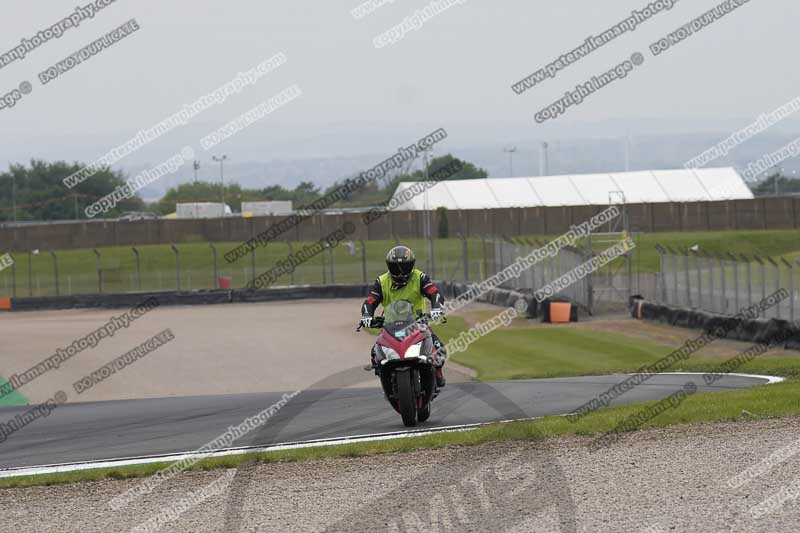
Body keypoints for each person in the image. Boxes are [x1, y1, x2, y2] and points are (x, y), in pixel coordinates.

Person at [360, 245, 448, 388]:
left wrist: (437, 307)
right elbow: (370, 301)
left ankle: (437, 372)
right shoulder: (381, 281)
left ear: (411, 266)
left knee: (439, 348)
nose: (400, 273)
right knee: (375, 353)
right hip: (390, 325)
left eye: (404, 267)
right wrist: (367, 316)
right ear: (388, 267)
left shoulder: (420, 277)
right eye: (395, 268)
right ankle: (386, 378)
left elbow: (434, 293)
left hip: (419, 323)